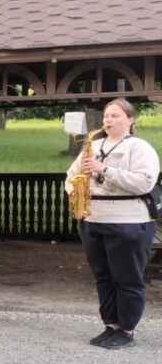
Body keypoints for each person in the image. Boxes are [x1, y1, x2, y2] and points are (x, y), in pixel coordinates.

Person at [66, 99, 159, 349]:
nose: (108, 120)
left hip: (128, 221)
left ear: (130, 119)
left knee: (126, 278)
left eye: (115, 116)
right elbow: (71, 174)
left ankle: (126, 329)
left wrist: (104, 169)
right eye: (106, 116)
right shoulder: (94, 145)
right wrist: (74, 190)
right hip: (93, 219)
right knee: (103, 277)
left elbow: (144, 182)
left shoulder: (139, 147)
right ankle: (111, 325)